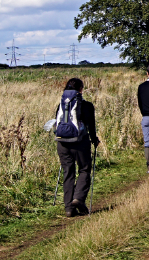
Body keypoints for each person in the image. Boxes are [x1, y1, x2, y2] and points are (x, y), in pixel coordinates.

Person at [54, 78, 100, 217]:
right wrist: (94, 139)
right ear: (81, 90)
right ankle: (78, 198)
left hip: (62, 143)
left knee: (68, 173)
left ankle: (69, 208)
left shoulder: (61, 105)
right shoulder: (87, 106)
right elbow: (91, 126)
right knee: (84, 169)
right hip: (80, 142)